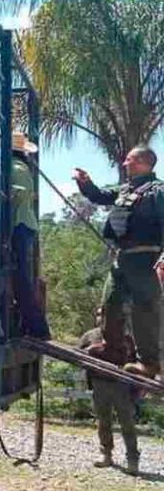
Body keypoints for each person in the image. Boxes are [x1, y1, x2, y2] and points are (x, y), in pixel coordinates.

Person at [74, 146, 164, 378]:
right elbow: (99, 196)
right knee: (111, 302)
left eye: (129, 159)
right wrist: (86, 183)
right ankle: (112, 348)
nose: (124, 163)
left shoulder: (158, 191)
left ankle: (149, 364)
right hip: (122, 257)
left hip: (147, 258)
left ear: (143, 162)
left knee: (144, 310)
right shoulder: (126, 189)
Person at [79, 308, 140, 475]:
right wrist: (92, 350)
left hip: (121, 385)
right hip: (99, 384)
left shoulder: (125, 337)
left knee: (127, 422)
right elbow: (78, 356)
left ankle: (132, 459)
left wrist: (137, 387)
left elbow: (134, 361)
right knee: (103, 421)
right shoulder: (89, 336)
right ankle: (106, 454)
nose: (102, 318)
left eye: (105, 315)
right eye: (99, 315)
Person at [11, 133, 50, 339]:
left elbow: (19, 194)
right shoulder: (21, 167)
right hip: (24, 224)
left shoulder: (15, 168)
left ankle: (37, 327)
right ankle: (29, 325)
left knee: (20, 276)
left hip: (19, 224)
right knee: (20, 275)